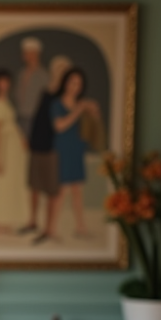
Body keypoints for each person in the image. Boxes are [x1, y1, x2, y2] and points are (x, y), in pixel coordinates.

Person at [21, 54, 72, 243]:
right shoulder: (45, 92)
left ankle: (48, 228)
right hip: (37, 144)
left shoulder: (65, 97)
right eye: (58, 70)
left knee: (51, 190)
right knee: (34, 185)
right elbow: (38, 118)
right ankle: (33, 221)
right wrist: (30, 139)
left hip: (53, 148)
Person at [50, 67, 99, 238]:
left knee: (77, 191)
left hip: (77, 150)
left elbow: (94, 126)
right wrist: (78, 110)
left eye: (78, 83)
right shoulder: (57, 104)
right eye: (72, 82)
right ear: (66, 83)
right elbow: (59, 126)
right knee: (61, 191)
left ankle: (80, 227)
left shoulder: (82, 104)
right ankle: (53, 229)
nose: (75, 86)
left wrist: (92, 110)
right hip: (62, 151)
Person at [0, 69, 28, 233]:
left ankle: (3, 219)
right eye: (1, 81)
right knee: (2, 183)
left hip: (13, 148)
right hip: (4, 148)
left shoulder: (7, 102)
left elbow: (12, 124)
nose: (4, 85)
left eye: (6, 81)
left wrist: (21, 138)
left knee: (10, 184)